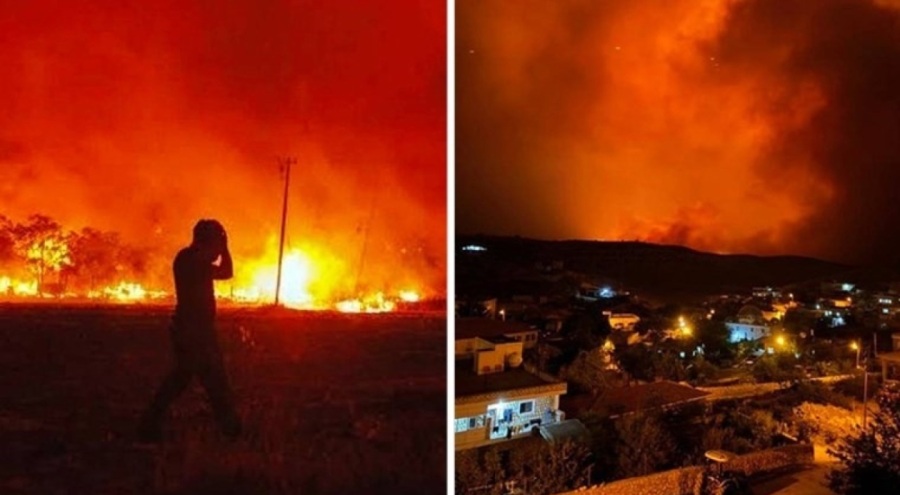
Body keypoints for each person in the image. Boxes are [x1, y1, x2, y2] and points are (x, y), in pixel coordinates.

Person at [138, 219, 241, 442]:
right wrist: (224, 248)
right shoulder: (190, 260)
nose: (216, 249)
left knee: (194, 379)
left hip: (198, 330)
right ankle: (231, 428)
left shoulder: (191, 258)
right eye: (214, 242)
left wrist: (222, 247)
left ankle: (230, 427)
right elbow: (225, 271)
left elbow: (225, 272)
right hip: (192, 331)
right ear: (205, 241)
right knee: (208, 379)